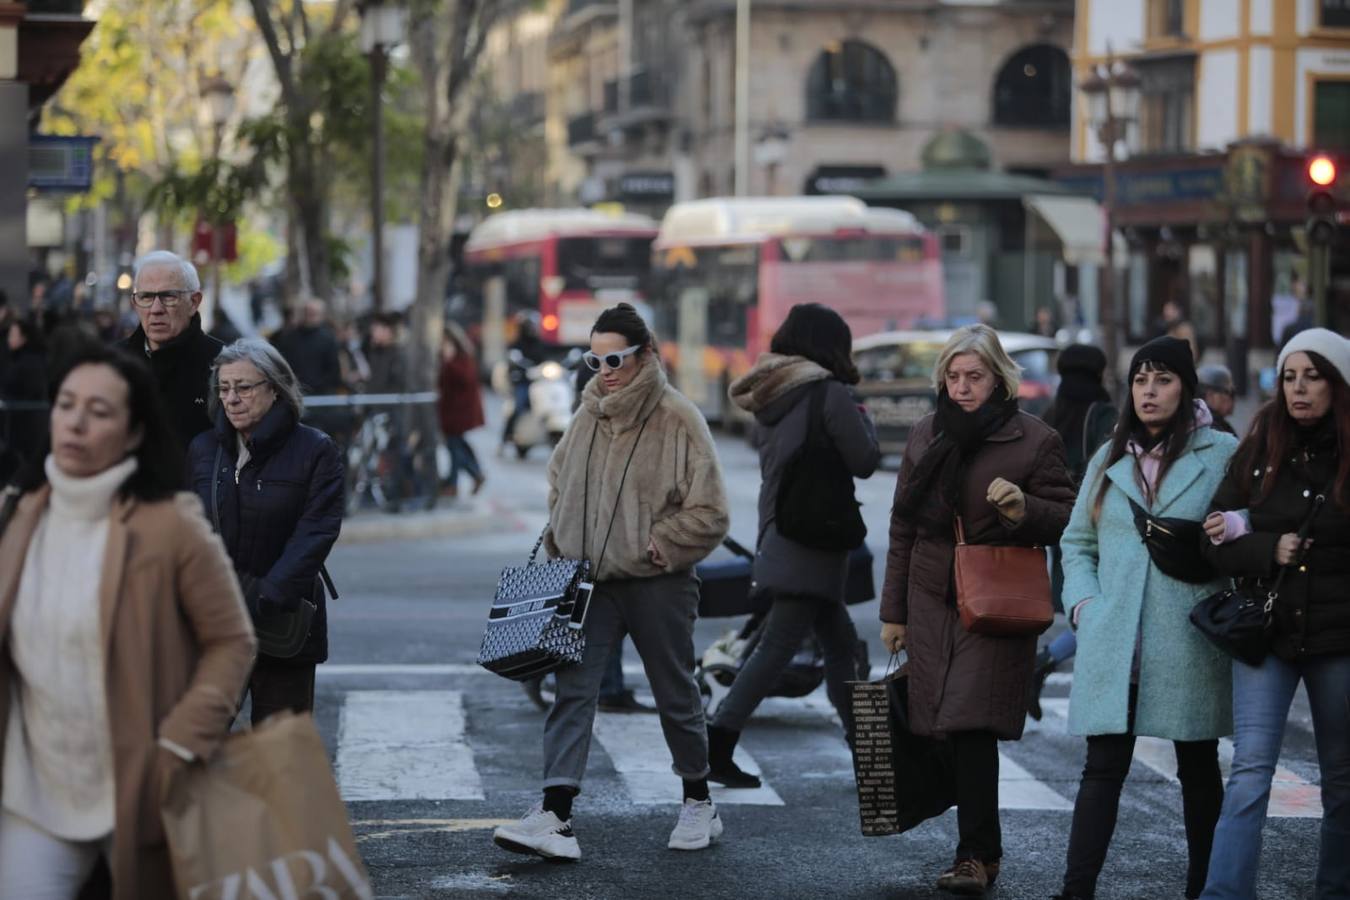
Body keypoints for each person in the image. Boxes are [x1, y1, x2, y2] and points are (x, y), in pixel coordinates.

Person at [0, 341, 255, 899]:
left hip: (141, 788)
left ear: (134, 433)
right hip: (31, 790)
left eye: (99, 412)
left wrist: (180, 744)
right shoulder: (21, 513)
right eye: (66, 405)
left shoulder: (171, 525)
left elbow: (232, 642)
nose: (75, 424)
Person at [493, 303, 730, 861]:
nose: (605, 368)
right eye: (593, 358)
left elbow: (711, 510)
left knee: (675, 691)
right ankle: (555, 813)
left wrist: (663, 542)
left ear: (646, 354)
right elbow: (559, 484)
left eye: (615, 357)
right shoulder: (587, 414)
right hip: (588, 583)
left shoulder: (678, 416)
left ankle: (699, 799)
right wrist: (564, 543)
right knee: (572, 692)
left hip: (657, 582)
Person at [880, 323, 1076, 895]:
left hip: (993, 597)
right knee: (941, 722)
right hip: (930, 594)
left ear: (998, 378)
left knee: (970, 723)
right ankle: (975, 842)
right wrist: (894, 612)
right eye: (954, 376)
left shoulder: (1033, 438)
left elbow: (1065, 514)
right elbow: (902, 527)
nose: (963, 387)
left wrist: (1023, 509)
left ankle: (975, 855)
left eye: (975, 376)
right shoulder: (924, 434)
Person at [1054, 336, 1238, 900]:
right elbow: (1077, 542)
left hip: (1187, 636)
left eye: (1162, 380)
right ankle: (1075, 890)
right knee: (1102, 768)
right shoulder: (1110, 455)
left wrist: (1234, 530)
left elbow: (1242, 533)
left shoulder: (1220, 453)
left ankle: (1204, 888)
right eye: (1140, 380)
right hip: (1116, 638)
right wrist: (1086, 606)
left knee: (1198, 769)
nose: (1149, 392)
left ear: (1186, 388)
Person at [1198, 328, 1350, 899]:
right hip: (1267, 630)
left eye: (1313, 376)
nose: (1299, 389)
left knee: (1342, 781)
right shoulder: (1261, 446)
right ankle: (1225, 893)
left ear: (1338, 384)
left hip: (1339, 636)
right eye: (1289, 376)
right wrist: (1269, 548)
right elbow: (1212, 538)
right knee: (1249, 773)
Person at [706, 303, 880, 788]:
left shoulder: (774, 393)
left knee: (838, 642)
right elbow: (864, 459)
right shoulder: (827, 392)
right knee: (778, 645)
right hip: (815, 536)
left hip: (783, 530)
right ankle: (717, 742)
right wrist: (860, 414)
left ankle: (867, 754)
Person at [186, 339, 344, 725]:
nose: (232, 399)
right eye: (224, 388)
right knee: (198, 746)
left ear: (275, 388)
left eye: (244, 387)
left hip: (283, 622)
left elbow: (317, 531)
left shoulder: (314, 449)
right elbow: (188, 529)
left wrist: (267, 596)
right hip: (216, 621)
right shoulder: (204, 449)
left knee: (281, 757)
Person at [1027, 343, 1118, 720]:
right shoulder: (1104, 415)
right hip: (1096, 526)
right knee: (1108, 609)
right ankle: (1046, 661)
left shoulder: (1050, 414)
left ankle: (1046, 661)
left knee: (1088, 607)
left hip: (1059, 527)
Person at [115, 250, 224, 454]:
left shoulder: (224, 365)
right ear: (135, 304)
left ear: (194, 302)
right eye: (146, 297)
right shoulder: (111, 364)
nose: (156, 309)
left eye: (168, 296)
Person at [436, 324, 486, 498]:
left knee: (454, 446)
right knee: (456, 445)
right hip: (450, 410)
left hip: (459, 411)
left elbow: (464, 380)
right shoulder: (449, 358)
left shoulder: (462, 358)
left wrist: (449, 362)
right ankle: (462, 479)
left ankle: (463, 479)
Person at [1, 319, 48, 480]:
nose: (9, 339)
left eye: (13, 335)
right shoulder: (15, 358)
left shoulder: (31, 362)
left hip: (24, 426)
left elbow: (29, 391)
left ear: (24, 337)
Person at [1197, 364, 1237, 436]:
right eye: (1228, 392)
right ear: (1210, 396)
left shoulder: (1194, 423)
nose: (1230, 398)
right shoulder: (1215, 429)